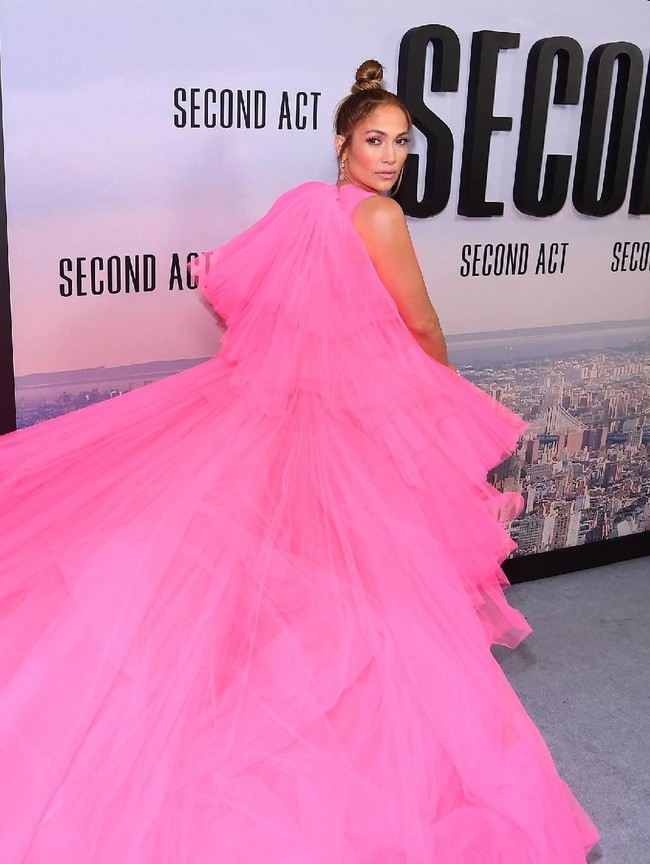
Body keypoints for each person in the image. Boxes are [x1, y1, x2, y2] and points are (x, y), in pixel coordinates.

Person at [0, 59, 599, 863]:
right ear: (342, 143)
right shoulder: (379, 219)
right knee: (375, 588)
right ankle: (358, 739)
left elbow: (244, 296)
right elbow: (419, 324)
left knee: (295, 575)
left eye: (402, 143)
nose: (389, 156)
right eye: (375, 140)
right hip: (354, 427)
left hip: (289, 414)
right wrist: (446, 399)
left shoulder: (304, 207)